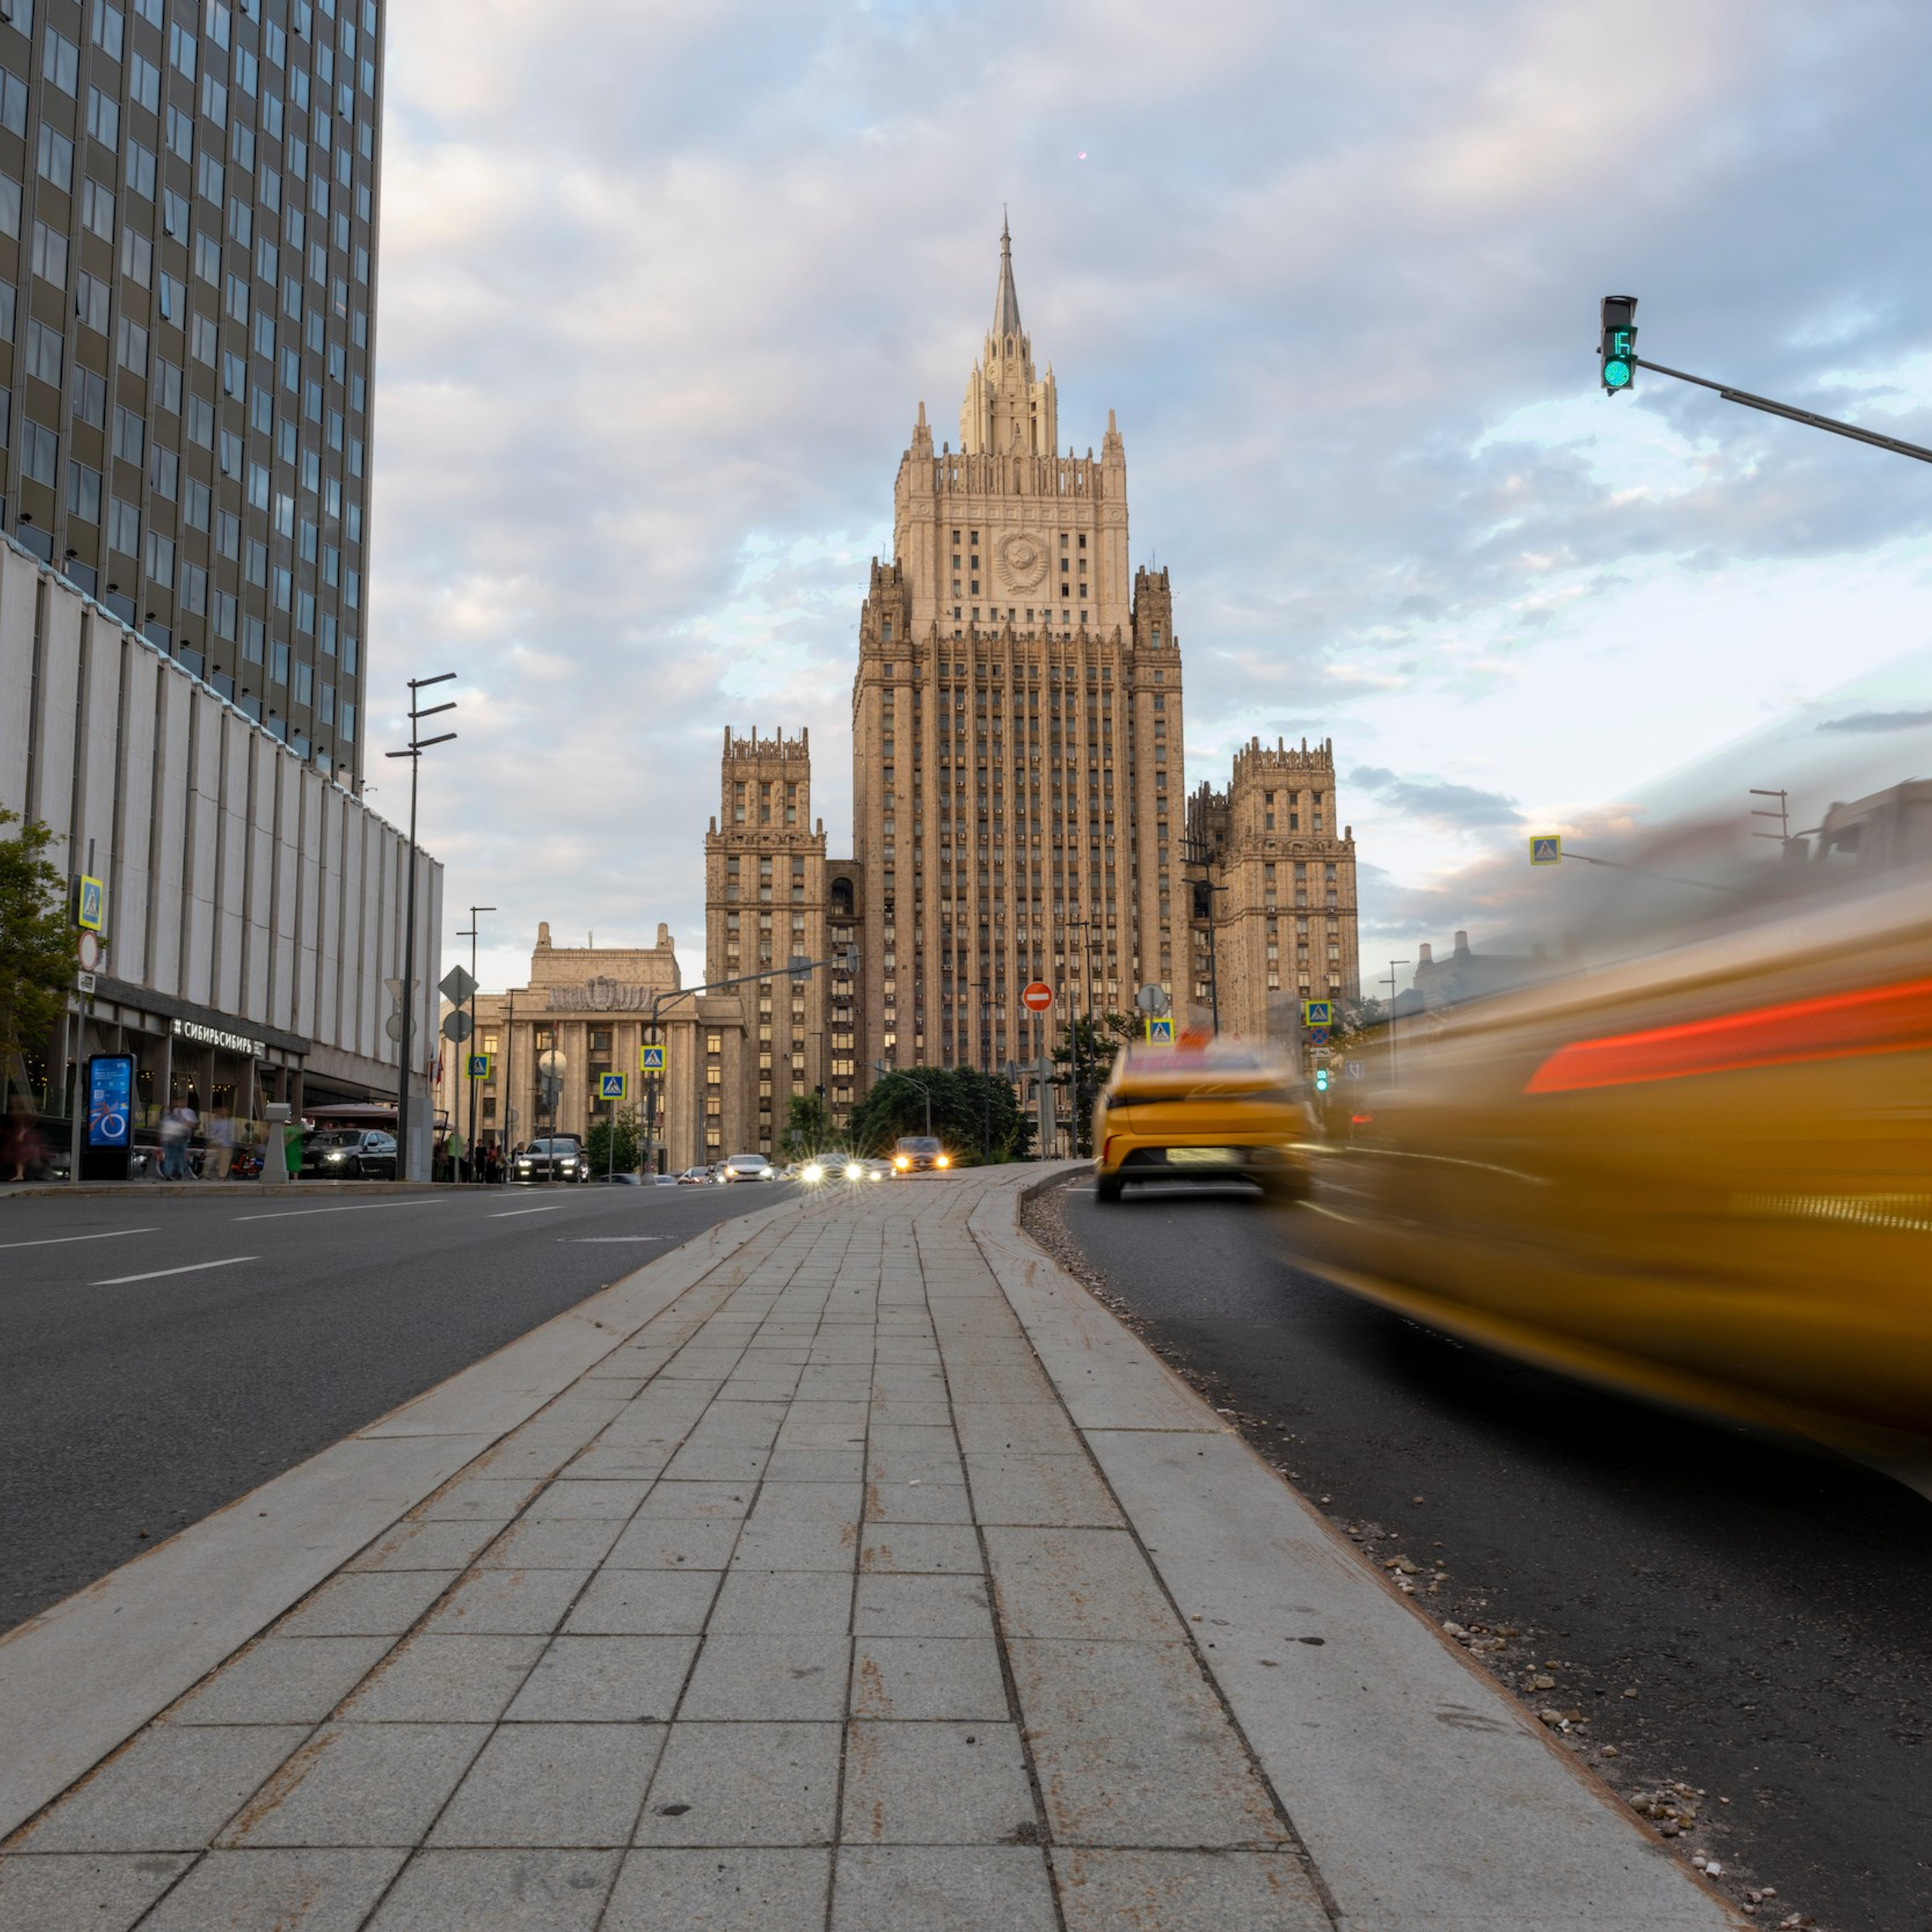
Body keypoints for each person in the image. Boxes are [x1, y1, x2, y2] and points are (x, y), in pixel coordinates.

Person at [2, 1095, 45, 1182]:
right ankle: (20, 1173)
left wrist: (22, 1134)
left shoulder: (26, 1122)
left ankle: (20, 1174)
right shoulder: (21, 1122)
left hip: (25, 1143)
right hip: (21, 1141)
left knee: (21, 1153)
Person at [158, 1103, 196, 1180]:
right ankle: (180, 1172)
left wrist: (161, 1139)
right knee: (180, 1157)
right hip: (179, 1139)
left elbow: (162, 1130)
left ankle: (168, 1173)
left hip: (168, 1139)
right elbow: (188, 1127)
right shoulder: (181, 1119)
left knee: (169, 1157)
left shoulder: (166, 1118)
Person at [206, 1102, 235, 1179]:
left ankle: (222, 1175)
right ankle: (205, 1173)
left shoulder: (230, 1122)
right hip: (216, 1143)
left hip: (226, 1144)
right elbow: (211, 1132)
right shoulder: (214, 1122)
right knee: (210, 1158)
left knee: (224, 1161)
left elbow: (231, 1133)